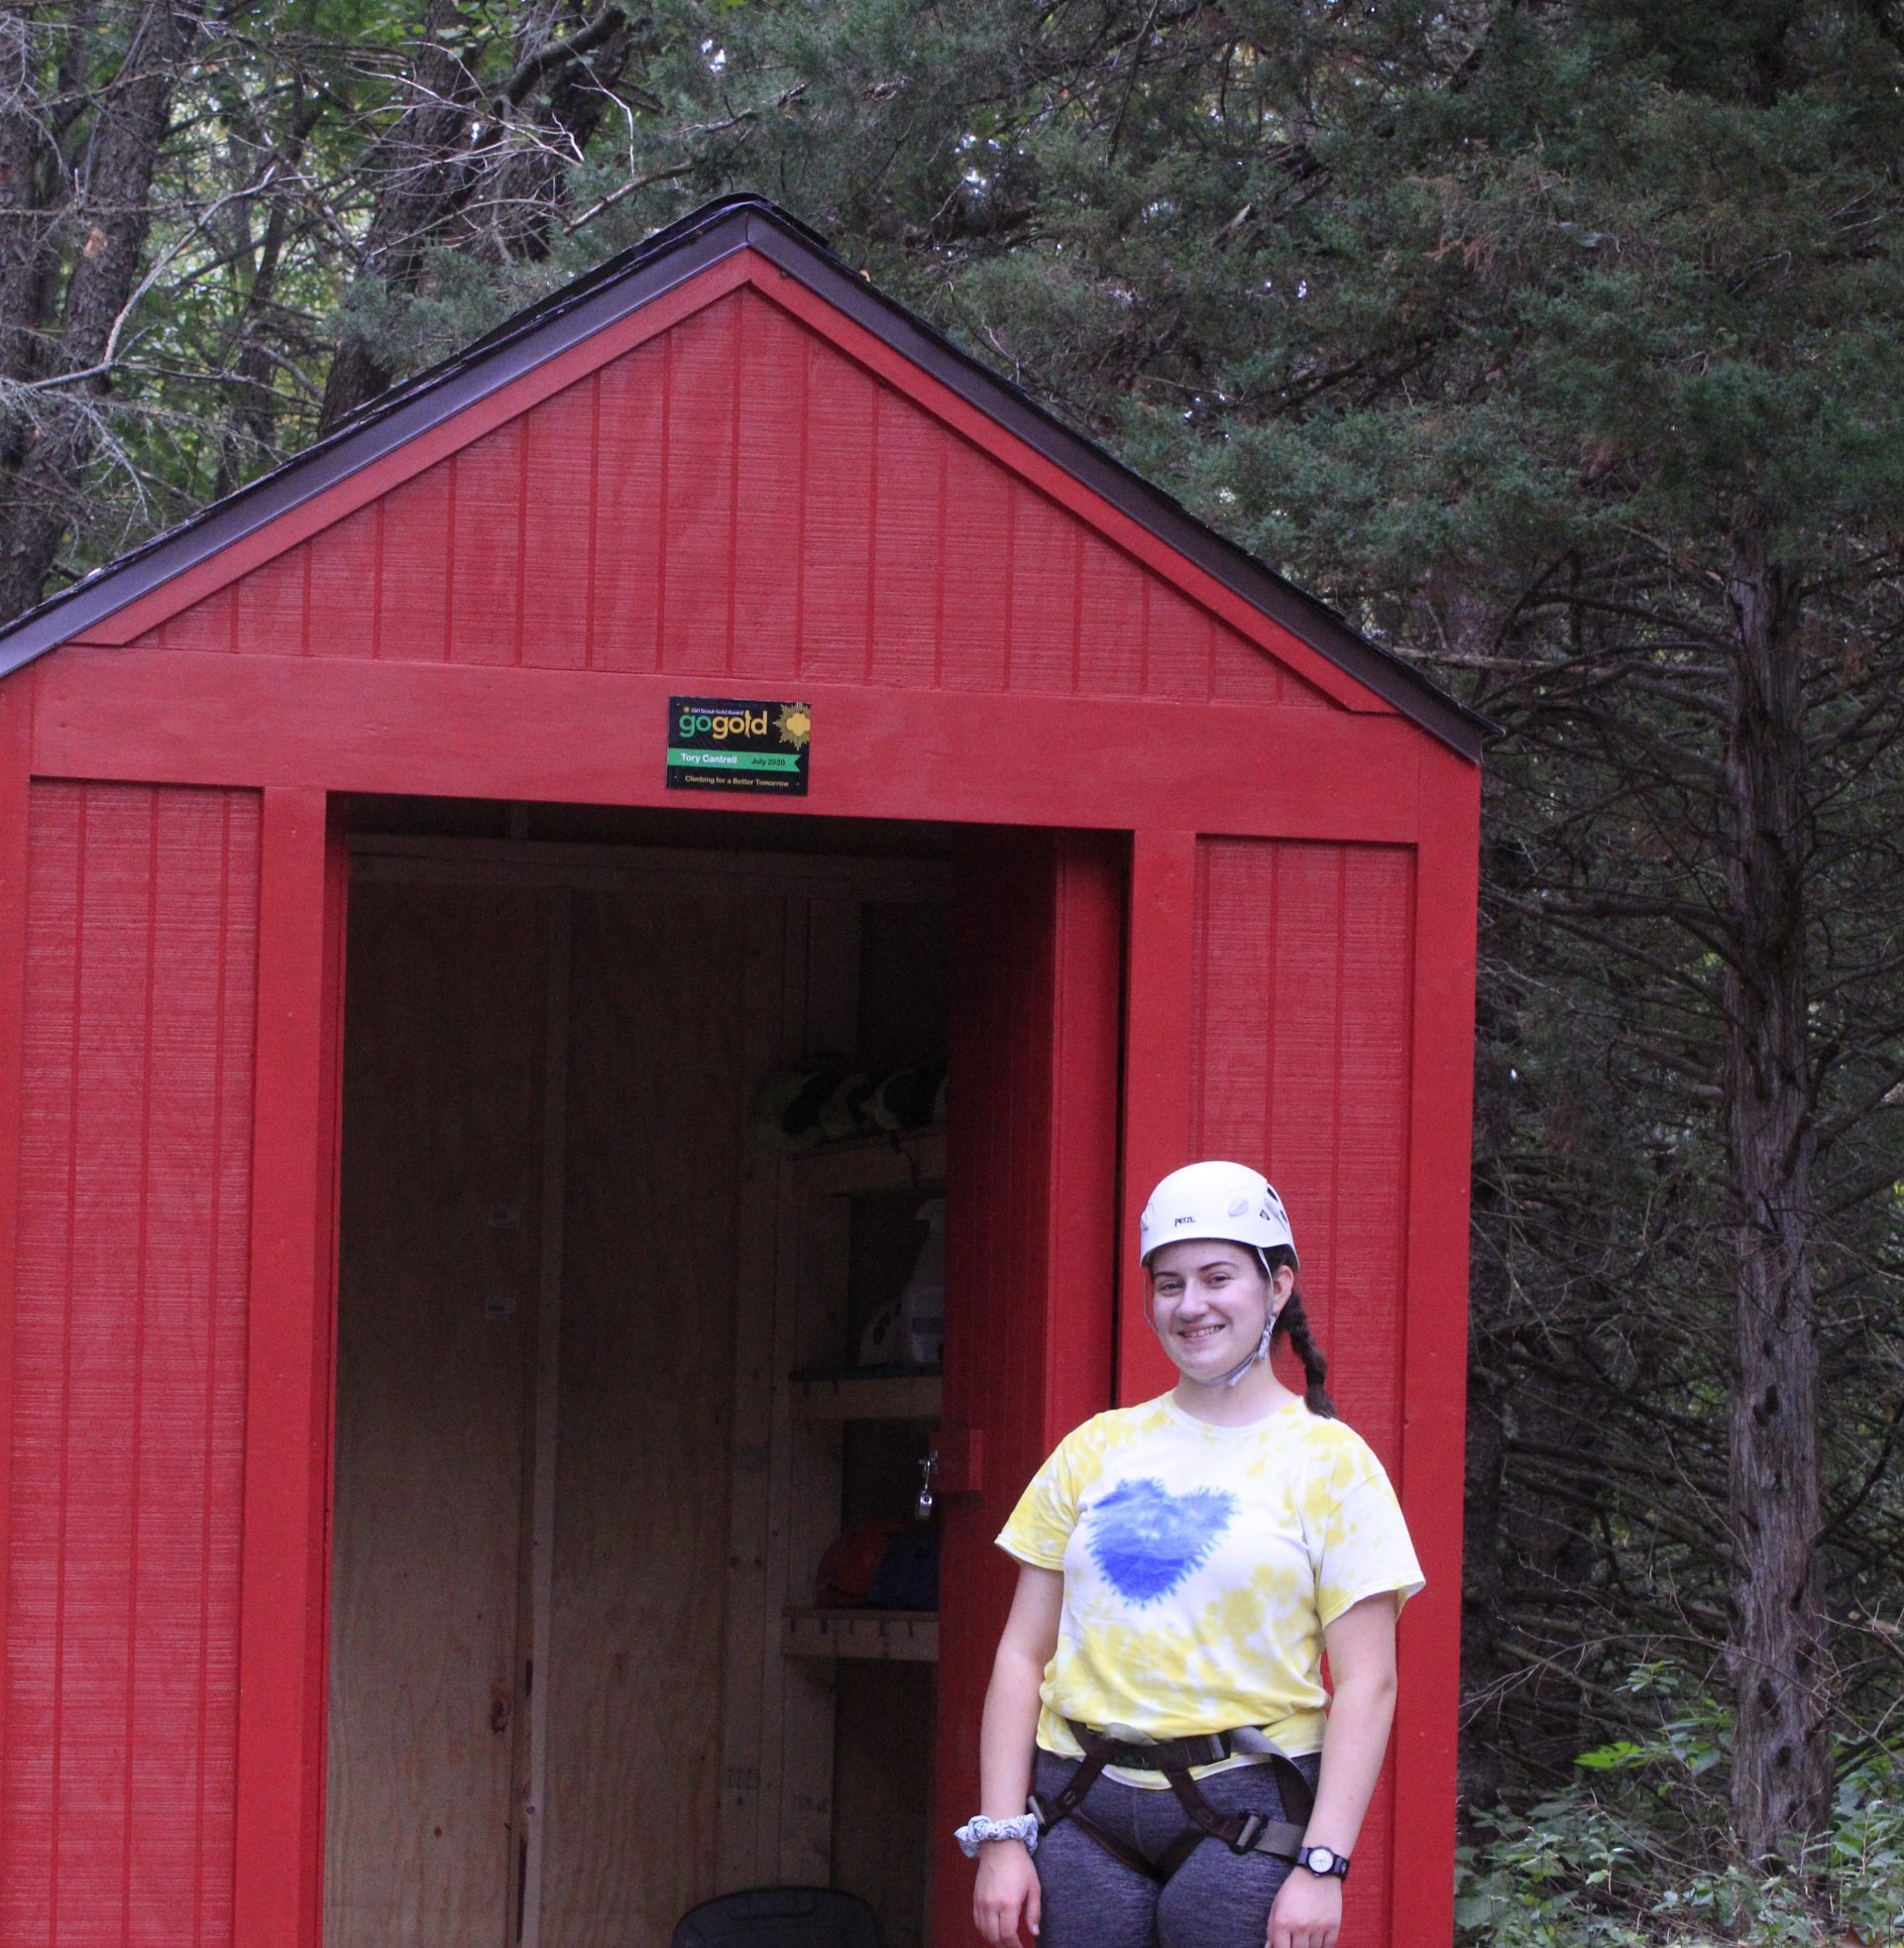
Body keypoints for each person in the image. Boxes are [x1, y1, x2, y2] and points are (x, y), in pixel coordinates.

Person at [954, 1161, 1423, 1948]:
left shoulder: (1332, 1462)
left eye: (1217, 1276)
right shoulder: (1094, 1448)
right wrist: (1001, 1835)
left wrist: (1322, 1863)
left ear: (1277, 1287)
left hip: (1244, 1804)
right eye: (1167, 1283)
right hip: (1079, 1801)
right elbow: (1018, 1652)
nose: (1190, 1304)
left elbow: (1369, 1680)